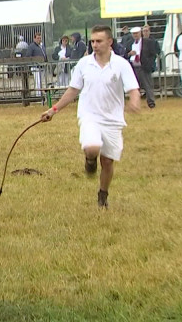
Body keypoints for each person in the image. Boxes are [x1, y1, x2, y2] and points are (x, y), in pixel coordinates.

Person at [40, 25, 140, 209]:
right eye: (92, 41)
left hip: (112, 119)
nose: (95, 44)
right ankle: (90, 158)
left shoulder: (121, 64)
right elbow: (73, 90)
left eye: (99, 41)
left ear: (109, 42)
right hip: (89, 116)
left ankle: (103, 194)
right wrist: (53, 110)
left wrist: (134, 101)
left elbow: (133, 88)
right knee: (93, 147)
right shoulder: (84, 64)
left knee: (108, 161)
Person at [124, 25, 159, 108]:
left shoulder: (148, 42)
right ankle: (135, 103)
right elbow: (125, 55)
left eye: (136, 33)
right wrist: (129, 54)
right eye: (133, 34)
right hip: (133, 67)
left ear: (140, 33)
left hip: (144, 67)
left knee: (148, 85)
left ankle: (151, 102)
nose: (135, 35)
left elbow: (153, 54)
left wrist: (149, 63)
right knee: (134, 86)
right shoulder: (129, 44)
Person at [28, 32, 47, 96]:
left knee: (41, 81)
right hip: (35, 66)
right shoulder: (31, 46)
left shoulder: (42, 46)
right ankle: (38, 95)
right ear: (34, 39)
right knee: (38, 81)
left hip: (42, 66)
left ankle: (40, 93)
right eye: (38, 38)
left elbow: (45, 54)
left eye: (40, 38)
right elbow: (28, 56)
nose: (39, 39)